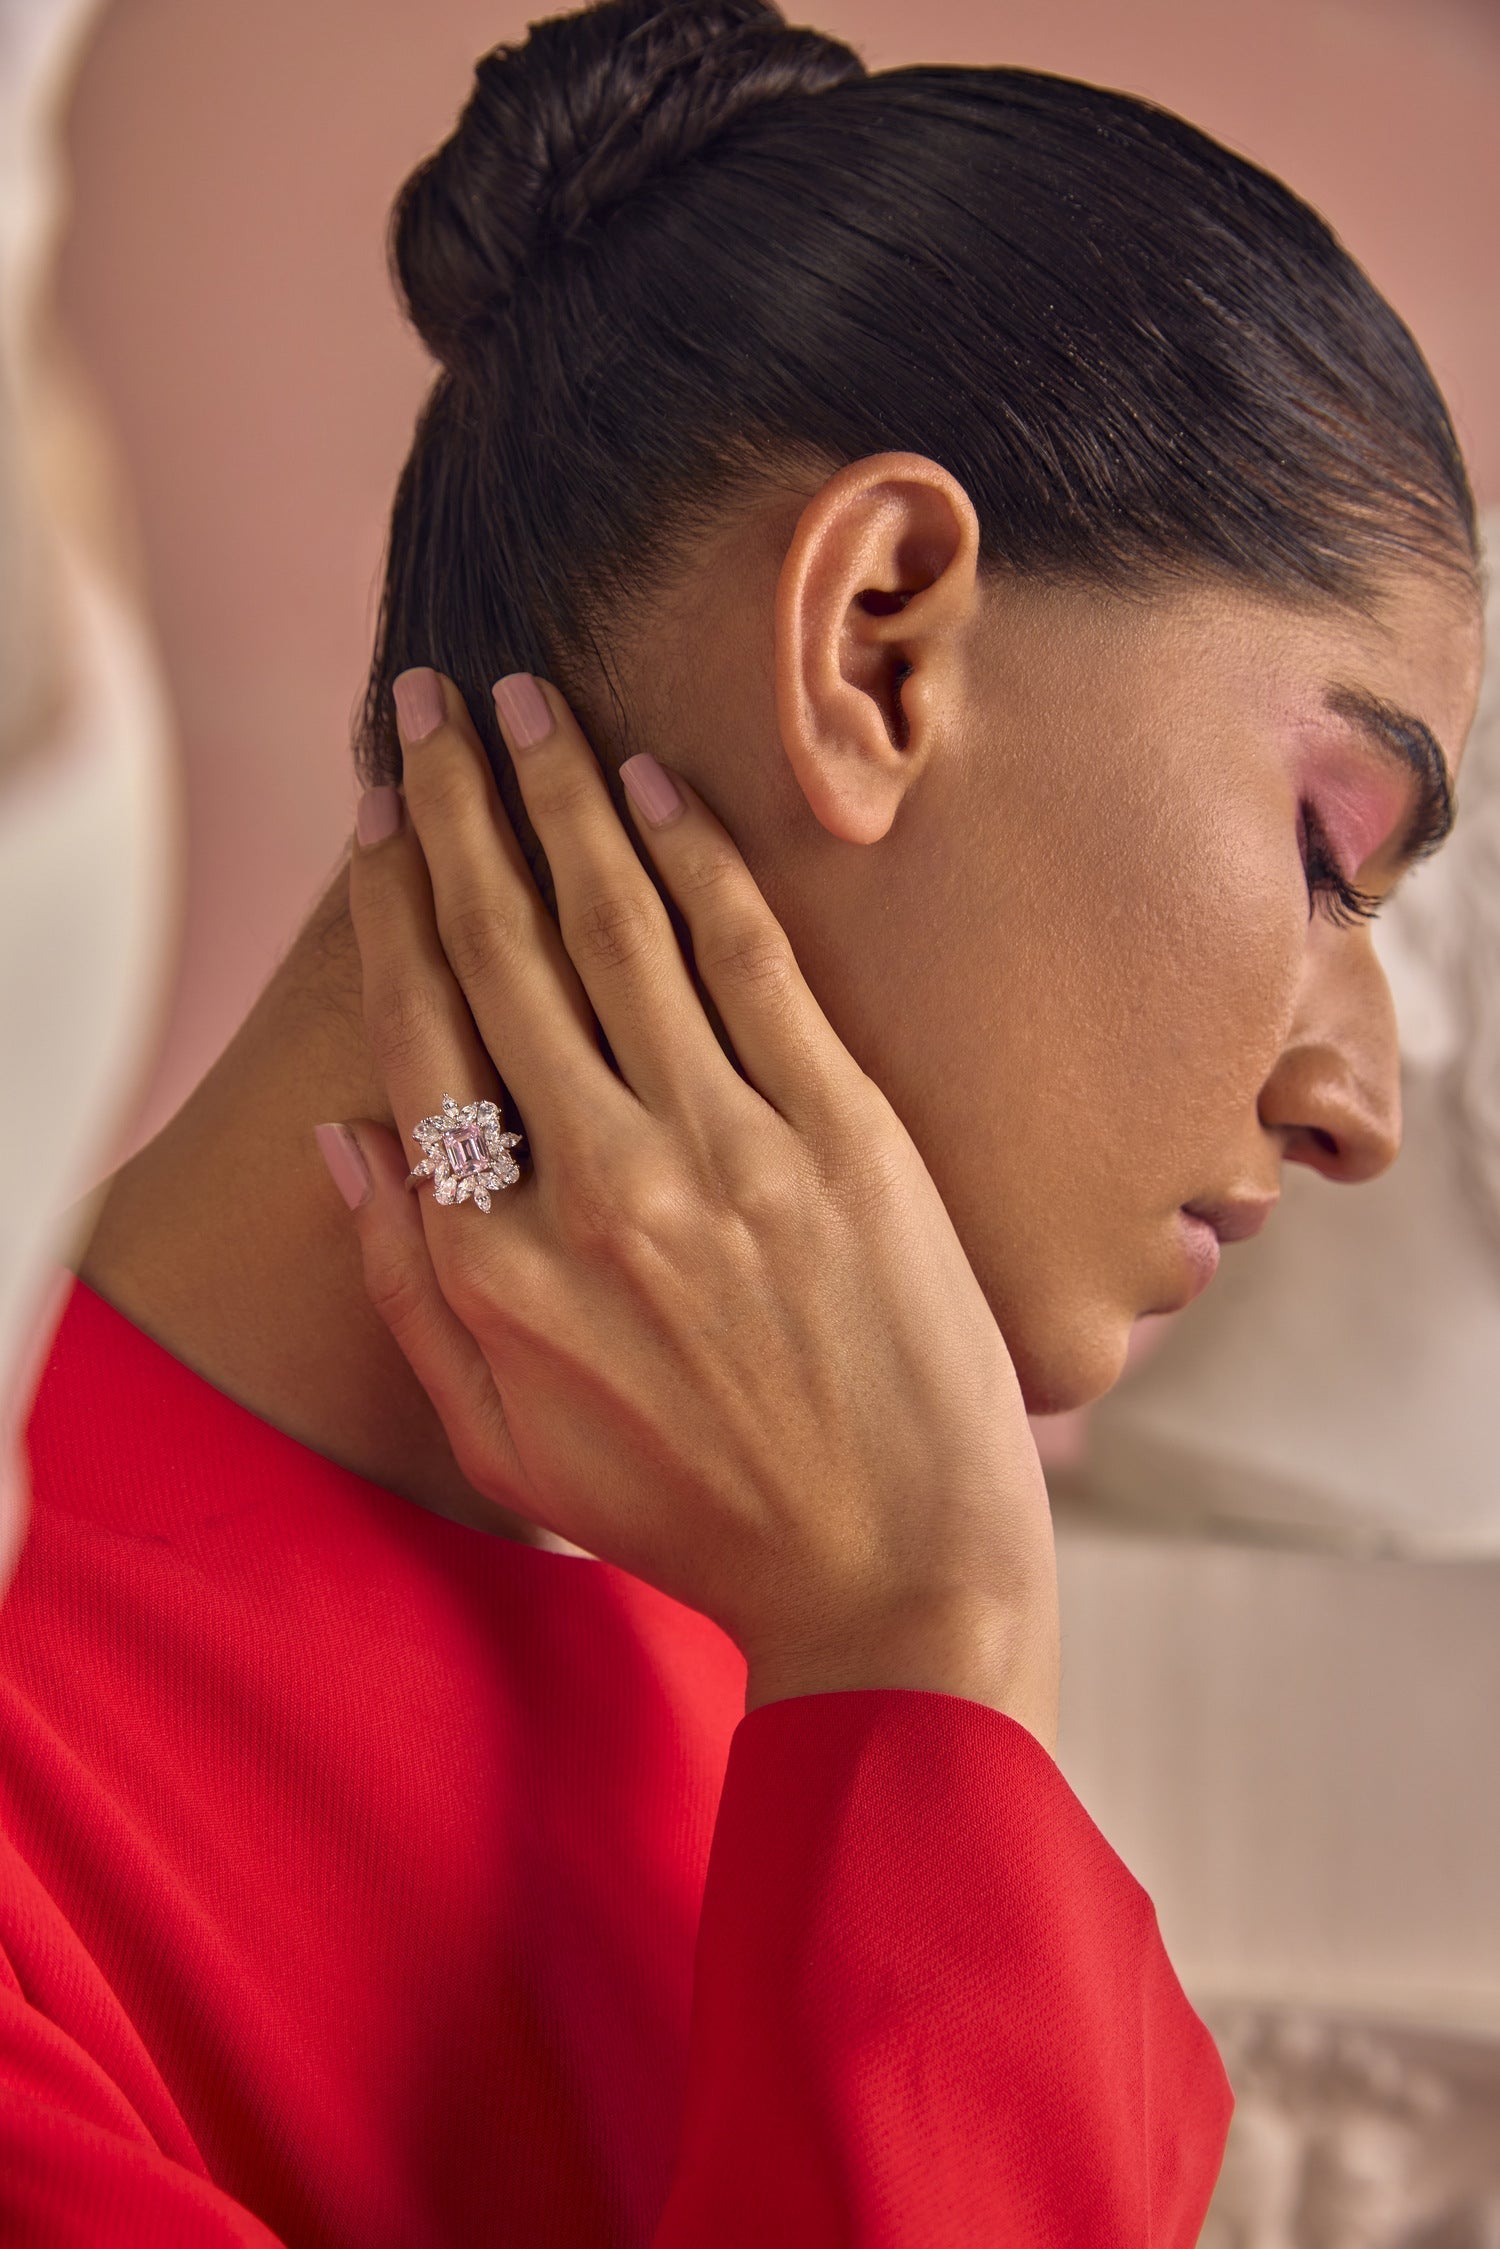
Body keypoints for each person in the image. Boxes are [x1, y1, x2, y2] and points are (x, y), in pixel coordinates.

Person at [1, 0, 1483, 2241]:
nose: (1362, 1102)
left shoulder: (817, 1651)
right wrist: (927, 1640)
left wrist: (911, 1646)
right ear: (879, 638)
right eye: (1320, 845)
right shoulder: (876, 1662)